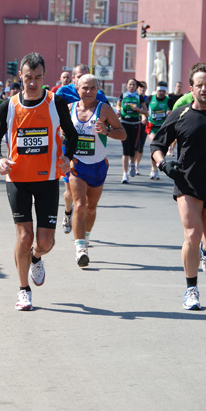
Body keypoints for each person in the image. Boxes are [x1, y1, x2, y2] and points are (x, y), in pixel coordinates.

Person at [0, 52, 78, 311]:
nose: (33, 83)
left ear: (44, 77)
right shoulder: (8, 105)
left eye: (38, 78)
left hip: (48, 178)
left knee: (45, 243)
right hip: (17, 179)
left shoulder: (56, 102)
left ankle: (36, 258)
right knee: (24, 235)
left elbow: (71, 135)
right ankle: (23, 290)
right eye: (28, 77)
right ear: (20, 76)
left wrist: (67, 158)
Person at [151, 62, 206, 310]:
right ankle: (191, 289)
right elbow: (157, 146)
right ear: (191, 87)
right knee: (192, 235)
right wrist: (164, 165)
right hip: (187, 183)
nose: (204, 89)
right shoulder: (180, 114)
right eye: (200, 85)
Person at [69, 74, 126, 267]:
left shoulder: (104, 109)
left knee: (91, 207)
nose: (88, 92)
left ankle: (85, 237)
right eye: (84, 88)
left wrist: (107, 131)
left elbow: (123, 134)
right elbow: (58, 132)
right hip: (77, 165)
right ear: (77, 89)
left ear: (98, 90)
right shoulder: (70, 109)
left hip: (98, 165)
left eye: (93, 88)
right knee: (79, 205)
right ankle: (80, 249)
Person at [56, 63, 108, 233]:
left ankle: (81, 226)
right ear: (74, 78)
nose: (86, 86)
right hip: (70, 148)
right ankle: (67, 212)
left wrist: (105, 128)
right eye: (79, 77)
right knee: (70, 193)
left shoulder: (97, 94)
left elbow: (108, 114)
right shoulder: (63, 92)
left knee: (86, 202)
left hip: (92, 150)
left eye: (86, 76)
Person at [116, 78, 148, 184]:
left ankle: (133, 164)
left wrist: (138, 110)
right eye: (130, 84)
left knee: (133, 149)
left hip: (135, 125)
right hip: (124, 124)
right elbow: (118, 105)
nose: (131, 86)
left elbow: (146, 112)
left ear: (136, 87)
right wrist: (119, 111)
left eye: (133, 85)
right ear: (126, 86)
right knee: (125, 149)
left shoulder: (139, 97)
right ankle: (125, 174)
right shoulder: (122, 96)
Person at [145, 81, 171, 180]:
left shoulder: (169, 100)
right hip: (152, 126)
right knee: (154, 145)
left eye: (163, 91)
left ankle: (158, 166)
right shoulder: (150, 98)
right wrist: (144, 116)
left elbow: (174, 112)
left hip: (163, 127)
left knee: (161, 149)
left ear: (165, 92)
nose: (161, 93)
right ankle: (153, 169)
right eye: (159, 91)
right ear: (157, 90)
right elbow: (144, 109)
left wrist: (170, 112)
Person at [134, 80, 148, 175]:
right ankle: (132, 164)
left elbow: (147, 110)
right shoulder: (134, 98)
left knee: (140, 147)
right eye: (140, 87)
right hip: (134, 123)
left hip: (144, 124)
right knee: (135, 145)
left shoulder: (148, 98)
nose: (142, 89)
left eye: (144, 87)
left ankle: (136, 165)